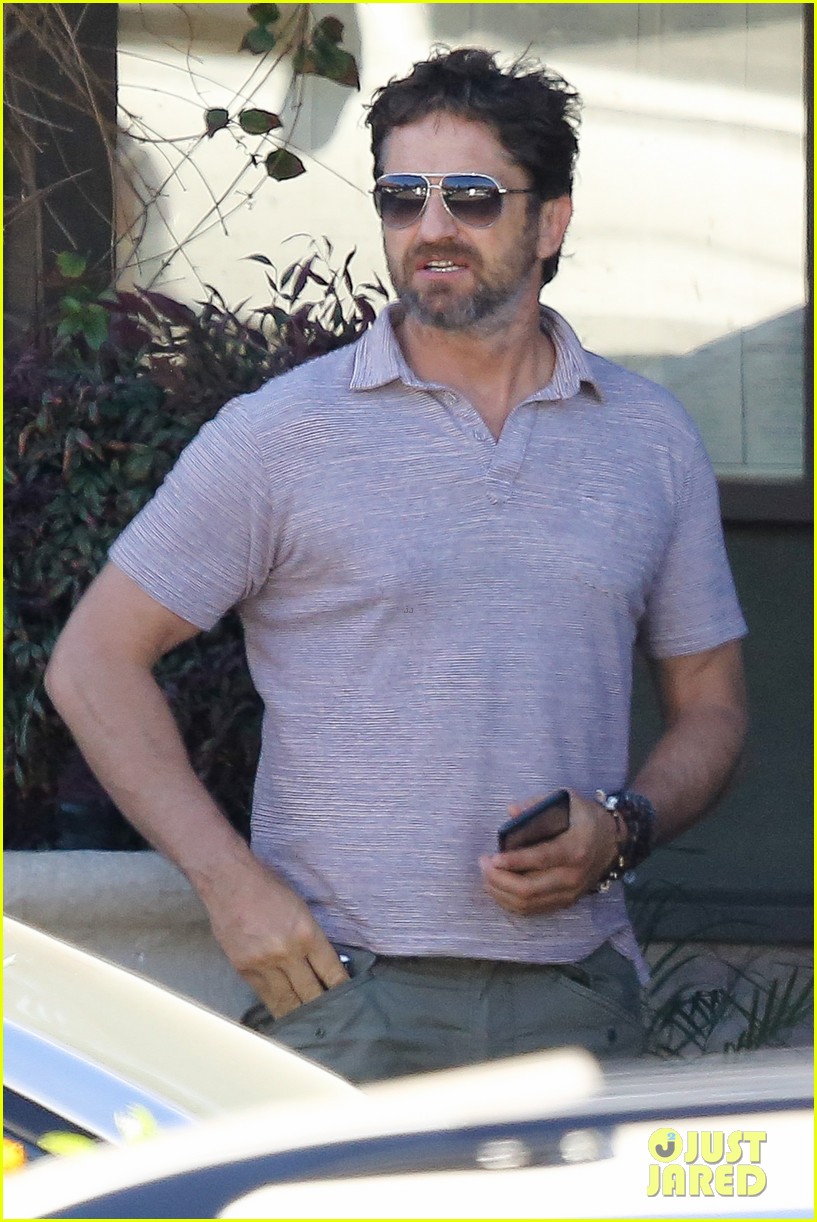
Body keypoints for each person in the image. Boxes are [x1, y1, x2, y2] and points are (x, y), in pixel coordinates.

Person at [45, 48, 747, 1083]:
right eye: (401, 196)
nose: (432, 226)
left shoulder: (649, 439)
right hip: (345, 996)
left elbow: (713, 705)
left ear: (550, 222)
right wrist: (229, 885)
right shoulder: (281, 435)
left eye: (471, 197)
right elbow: (94, 661)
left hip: (578, 998)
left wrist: (622, 829)